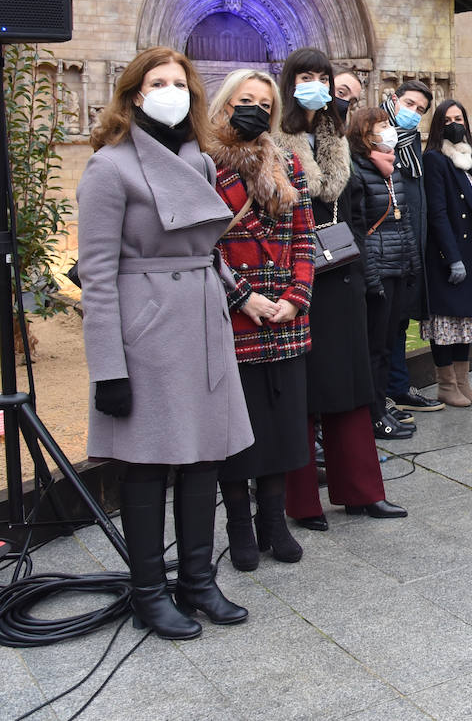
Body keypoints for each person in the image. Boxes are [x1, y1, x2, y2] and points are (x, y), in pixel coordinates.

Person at [78, 46, 253, 639]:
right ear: (134, 94)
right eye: (159, 82)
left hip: (203, 321)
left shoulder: (198, 161)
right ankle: (148, 592)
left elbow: (206, 249)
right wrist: (108, 367)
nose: (172, 91)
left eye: (181, 83)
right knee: (148, 464)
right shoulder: (110, 167)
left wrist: (237, 292)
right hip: (147, 329)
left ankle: (197, 581)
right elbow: (96, 274)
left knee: (204, 456)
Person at [276, 49, 407, 524]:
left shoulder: (337, 137)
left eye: (321, 77)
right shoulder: (276, 140)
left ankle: (361, 491)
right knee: (303, 392)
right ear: (289, 83)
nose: (315, 84)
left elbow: (353, 210)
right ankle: (303, 501)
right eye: (305, 76)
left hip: (342, 275)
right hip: (295, 278)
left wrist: (352, 252)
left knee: (352, 387)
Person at [206, 69, 315, 571]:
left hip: (286, 314)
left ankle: (273, 521)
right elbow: (200, 246)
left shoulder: (288, 163)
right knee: (238, 426)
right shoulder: (203, 164)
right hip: (236, 312)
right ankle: (239, 525)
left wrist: (296, 295)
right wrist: (243, 297)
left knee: (282, 424)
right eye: (243, 100)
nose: (253, 109)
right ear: (225, 104)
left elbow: (305, 238)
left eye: (263, 104)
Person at [348, 107, 424, 437]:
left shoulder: (393, 173)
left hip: (398, 269)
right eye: (381, 127)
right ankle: (373, 414)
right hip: (376, 272)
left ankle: (381, 409)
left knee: (388, 345)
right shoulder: (359, 173)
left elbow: (404, 222)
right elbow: (360, 229)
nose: (388, 132)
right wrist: (372, 277)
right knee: (374, 349)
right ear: (365, 136)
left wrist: (412, 267)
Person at [421, 99, 472, 407]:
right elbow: (437, 212)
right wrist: (452, 258)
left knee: (465, 321)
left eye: (459, 118)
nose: (455, 124)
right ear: (439, 124)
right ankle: (446, 385)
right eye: (448, 119)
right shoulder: (435, 159)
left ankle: (463, 382)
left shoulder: (469, 160)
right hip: (448, 256)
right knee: (445, 322)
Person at [382, 81, 442, 415]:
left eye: (420, 110)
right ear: (393, 99)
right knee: (385, 326)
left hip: (409, 250)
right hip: (385, 250)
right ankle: (387, 394)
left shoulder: (412, 146)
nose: (414, 113)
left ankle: (398, 388)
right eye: (409, 104)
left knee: (400, 322)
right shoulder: (379, 136)